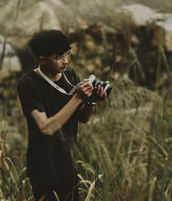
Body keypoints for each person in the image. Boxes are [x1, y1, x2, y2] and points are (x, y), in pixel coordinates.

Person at [17, 30, 107, 201]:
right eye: (58, 57)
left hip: (68, 162)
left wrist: (91, 101)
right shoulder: (28, 84)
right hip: (44, 168)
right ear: (42, 59)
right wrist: (78, 97)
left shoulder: (70, 74)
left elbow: (83, 118)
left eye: (67, 53)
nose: (66, 60)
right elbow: (46, 127)